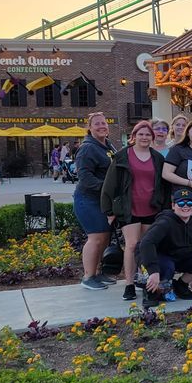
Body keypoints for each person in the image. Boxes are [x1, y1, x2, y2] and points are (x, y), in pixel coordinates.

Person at [100, 120, 166, 301]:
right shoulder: (122, 156)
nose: (144, 137)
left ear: (152, 138)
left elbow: (163, 184)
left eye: (148, 135)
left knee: (146, 246)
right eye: (141, 134)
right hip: (129, 207)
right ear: (134, 136)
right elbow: (110, 184)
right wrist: (108, 210)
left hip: (151, 207)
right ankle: (128, 284)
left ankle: (143, 278)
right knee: (131, 245)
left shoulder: (157, 158)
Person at [137, 187, 192, 308]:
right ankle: (151, 292)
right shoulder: (165, 222)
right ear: (173, 205)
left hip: (179, 256)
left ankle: (181, 285)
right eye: (181, 203)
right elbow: (146, 243)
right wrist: (153, 271)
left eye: (189, 203)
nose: (185, 206)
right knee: (166, 266)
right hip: (156, 256)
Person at [73, 112, 118, 290]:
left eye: (104, 123)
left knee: (104, 237)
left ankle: (98, 273)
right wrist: (109, 188)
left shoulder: (107, 145)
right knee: (96, 238)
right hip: (88, 200)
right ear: (90, 128)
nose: (102, 126)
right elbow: (85, 178)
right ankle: (88, 276)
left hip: (103, 201)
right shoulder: (87, 148)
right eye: (97, 124)